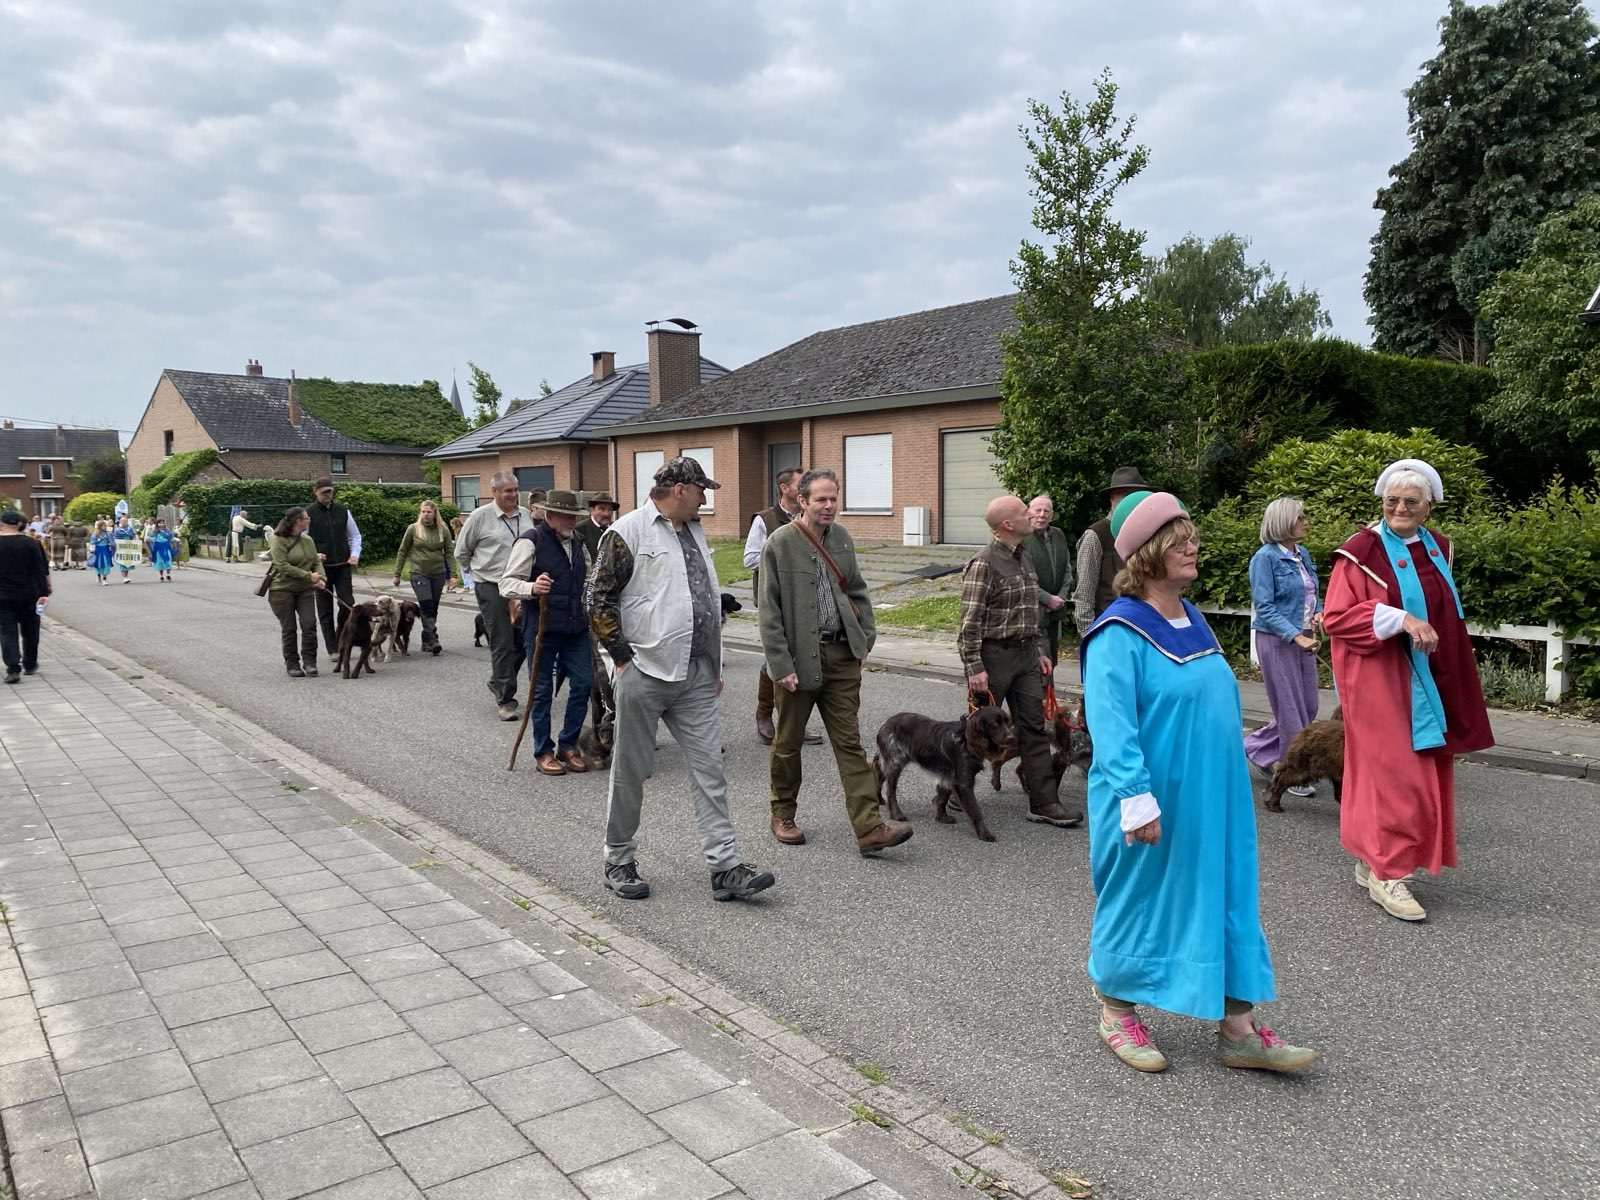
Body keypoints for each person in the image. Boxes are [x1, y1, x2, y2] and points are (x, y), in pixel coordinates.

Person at [1080, 489, 1316, 1074]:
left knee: (1226, 895)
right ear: (1148, 553)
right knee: (1140, 897)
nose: (1193, 548)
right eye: (1180, 541)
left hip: (1213, 797)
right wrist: (1136, 798)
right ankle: (1115, 1011)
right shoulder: (1118, 631)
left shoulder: (1193, 619)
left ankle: (1239, 1029)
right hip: (1149, 798)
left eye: (1193, 539)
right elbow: (1111, 725)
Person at [585, 456, 776, 903]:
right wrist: (621, 659)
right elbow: (597, 599)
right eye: (701, 490)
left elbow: (703, 598)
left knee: (711, 771)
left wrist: (714, 663)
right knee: (631, 771)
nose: (704, 499)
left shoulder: (693, 530)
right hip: (645, 671)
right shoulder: (627, 532)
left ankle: (725, 868)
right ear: (679, 490)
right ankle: (618, 859)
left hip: (697, 674)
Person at [1322, 460, 1493, 923]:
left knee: (1411, 770)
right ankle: (1389, 872)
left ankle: (1372, 857)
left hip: (1432, 675)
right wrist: (1400, 619)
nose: (1400, 508)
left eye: (1411, 502)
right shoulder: (1360, 551)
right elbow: (1337, 617)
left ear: (1428, 507)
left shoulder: (1439, 547)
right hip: (1382, 679)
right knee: (1396, 774)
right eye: (1392, 500)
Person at [759, 469, 913, 854]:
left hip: (842, 656)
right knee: (787, 744)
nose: (829, 506)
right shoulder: (780, 543)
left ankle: (869, 828)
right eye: (821, 499)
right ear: (802, 501)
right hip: (798, 661)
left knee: (850, 744)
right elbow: (769, 611)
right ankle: (783, 814)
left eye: (833, 498)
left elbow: (858, 591)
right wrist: (781, 665)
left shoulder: (842, 538)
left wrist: (865, 639)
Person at [956, 496, 1081, 828]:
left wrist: (1040, 650)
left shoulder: (1024, 557)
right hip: (993, 657)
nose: (1031, 515)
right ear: (1007, 524)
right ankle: (956, 790)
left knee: (1035, 729)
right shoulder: (984, 563)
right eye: (1025, 512)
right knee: (979, 731)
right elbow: (969, 622)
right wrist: (974, 667)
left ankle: (1044, 803)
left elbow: (1029, 612)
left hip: (1026, 656)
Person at [501, 490, 594, 775]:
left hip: (575, 627)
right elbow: (506, 584)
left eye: (574, 516)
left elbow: (588, 579)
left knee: (584, 683)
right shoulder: (531, 541)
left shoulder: (578, 542)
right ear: (550, 516)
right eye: (566, 516)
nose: (571, 521)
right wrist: (531, 587)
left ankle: (568, 745)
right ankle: (543, 751)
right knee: (541, 691)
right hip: (542, 627)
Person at [1243, 498, 1323, 796]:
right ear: (1284, 521)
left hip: (1304, 636)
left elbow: (1312, 594)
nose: (1306, 522)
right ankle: (1293, 773)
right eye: (1300, 517)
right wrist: (1295, 635)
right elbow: (1264, 606)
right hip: (1277, 640)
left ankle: (1256, 747)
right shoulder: (1264, 558)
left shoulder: (1302, 554)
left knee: (1309, 706)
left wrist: (1319, 613)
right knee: (1290, 710)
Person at [744, 467, 818, 747]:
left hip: (804, 600)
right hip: (774, 600)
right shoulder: (764, 520)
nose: (806, 487)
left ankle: (793, 723)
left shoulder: (808, 516)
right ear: (785, 488)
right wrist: (783, 557)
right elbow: (750, 558)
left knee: (802, 659)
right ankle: (764, 714)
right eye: (800, 483)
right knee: (775, 658)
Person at [456, 472, 535, 720]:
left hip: (521, 587)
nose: (513, 495)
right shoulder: (479, 517)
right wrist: (474, 579)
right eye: (508, 491)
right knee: (502, 641)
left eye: (515, 490)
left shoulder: (525, 515)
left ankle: (498, 680)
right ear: (495, 492)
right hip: (492, 586)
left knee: (523, 640)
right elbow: (461, 552)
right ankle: (506, 699)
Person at [1073, 466, 1151, 637]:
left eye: (1136, 496)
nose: (1132, 502)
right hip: (1108, 628)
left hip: (1143, 626)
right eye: (1125, 496)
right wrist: (1090, 636)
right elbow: (1084, 594)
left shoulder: (1147, 533)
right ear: (1112, 498)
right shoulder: (1096, 535)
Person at [307, 478, 363, 656]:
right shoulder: (308, 513)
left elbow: (354, 536)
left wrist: (355, 554)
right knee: (325, 609)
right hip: (320, 568)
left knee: (348, 603)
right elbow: (302, 540)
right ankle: (332, 648)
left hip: (343, 565)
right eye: (324, 492)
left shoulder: (343, 511)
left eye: (330, 491)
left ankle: (340, 639)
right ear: (315, 492)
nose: (328, 495)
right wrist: (313, 556)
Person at [268, 507, 326, 678]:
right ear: (297, 521)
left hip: (305, 589)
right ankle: (292, 663)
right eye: (306, 518)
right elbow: (281, 565)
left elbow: (316, 561)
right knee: (289, 628)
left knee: (309, 624)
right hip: (282, 589)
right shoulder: (278, 539)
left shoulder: (307, 540)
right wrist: (308, 576)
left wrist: (321, 577)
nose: (309, 520)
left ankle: (310, 662)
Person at [392, 500, 456, 655]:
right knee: (426, 605)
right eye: (423, 511)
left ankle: (426, 639)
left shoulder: (443, 530)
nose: (425, 514)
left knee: (433, 608)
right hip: (419, 573)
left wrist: (453, 575)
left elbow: (449, 553)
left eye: (429, 512)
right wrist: (397, 574)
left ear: (435, 513)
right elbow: (402, 551)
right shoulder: (413, 529)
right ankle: (433, 639)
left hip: (438, 573)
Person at [0, 510, 50, 684]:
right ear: (20, 524)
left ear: (2, 523)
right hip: (30, 594)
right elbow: (41, 570)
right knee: (31, 630)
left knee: (7, 631)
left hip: (3, 595)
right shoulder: (32, 543)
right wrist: (44, 592)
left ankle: (13, 667)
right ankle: (30, 663)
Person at [1024, 494, 1074, 669]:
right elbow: (1022, 577)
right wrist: (1047, 599)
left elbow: (1067, 569)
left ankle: (1049, 688)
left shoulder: (1058, 534)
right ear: (1029, 512)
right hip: (1031, 611)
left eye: (1046, 511)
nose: (1042, 515)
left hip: (1055, 610)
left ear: (1052, 515)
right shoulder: (1022, 538)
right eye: (1038, 510)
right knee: (1035, 662)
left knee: (1051, 658)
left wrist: (1060, 597)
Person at [575, 492, 620, 562]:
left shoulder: (616, 529)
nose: (606, 514)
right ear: (592, 510)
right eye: (602, 509)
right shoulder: (579, 530)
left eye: (610, 509)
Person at [112, 515, 140, 582]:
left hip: (129, 547)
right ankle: (125, 577)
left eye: (125, 521)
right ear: (120, 522)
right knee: (122, 562)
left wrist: (135, 540)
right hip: (121, 547)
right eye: (123, 521)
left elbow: (133, 536)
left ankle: (126, 576)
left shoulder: (130, 529)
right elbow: (115, 539)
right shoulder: (117, 530)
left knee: (127, 562)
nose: (124, 522)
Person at [448, 513, 470, 591]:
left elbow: (461, 542)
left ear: (455, 524)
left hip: (463, 553)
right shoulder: (457, 531)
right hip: (460, 553)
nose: (452, 527)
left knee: (465, 570)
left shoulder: (461, 531)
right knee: (463, 570)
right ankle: (467, 586)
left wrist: (453, 543)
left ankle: (468, 586)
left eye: (452, 525)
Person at [89, 519, 115, 585]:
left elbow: (112, 542)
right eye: (103, 526)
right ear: (100, 526)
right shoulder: (95, 533)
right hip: (98, 550)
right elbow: (92, 542)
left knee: (106, 564)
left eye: (105, 526)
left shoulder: (108, 533)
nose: (105, 527)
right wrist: (98, 540)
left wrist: (112, 545)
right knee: (98, 564)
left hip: (106, 549)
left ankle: (104, 579)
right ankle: (98, 575)